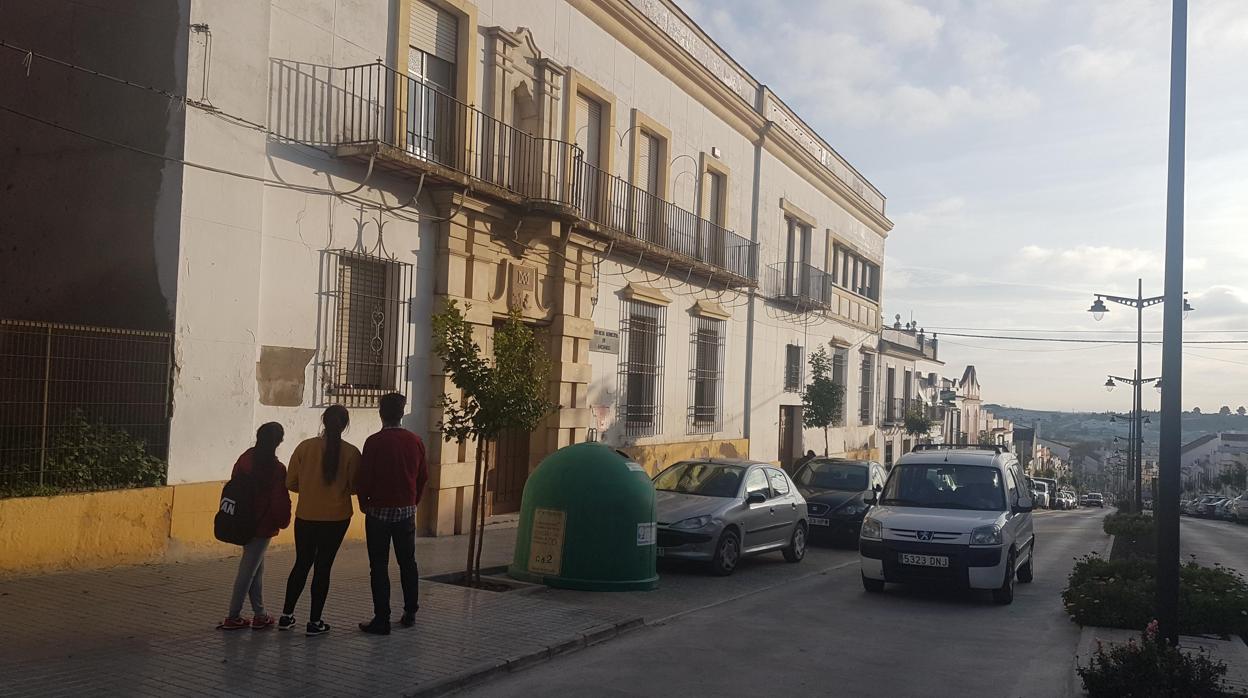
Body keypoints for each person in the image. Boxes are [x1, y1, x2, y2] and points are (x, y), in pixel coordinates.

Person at [278, 405, 360, 636]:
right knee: (323, 567)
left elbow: (290, 482)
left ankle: (286, 615)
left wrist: (309, 490)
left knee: (301, 564)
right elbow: (355, 487)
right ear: (344, 425)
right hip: (336, 519)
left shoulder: (305, 447)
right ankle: (315, 621)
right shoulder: (352, 453)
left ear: (323, 421)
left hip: (306, 516)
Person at [356, 392, 429, 635]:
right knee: (408, 562)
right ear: (402, 413)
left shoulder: (374, 442)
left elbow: (364, 477)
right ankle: (410, 612)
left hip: (378, 511)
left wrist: (363, 502)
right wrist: (413, 500)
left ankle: (382, 618)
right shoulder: (415, 441)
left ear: (381, 413)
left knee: (378, 565)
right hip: (406, 510)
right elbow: (422, 476)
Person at [219, 422, 291, 630]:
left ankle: (260, 613)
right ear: (279, 442)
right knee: (248, 570)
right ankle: (233, 615)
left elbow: (234, 484)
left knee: (256, 568)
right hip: (262, 525)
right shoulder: (276, 469)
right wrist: (283, 521)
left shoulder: (245, 459)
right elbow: (279, 500)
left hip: (242, 520)